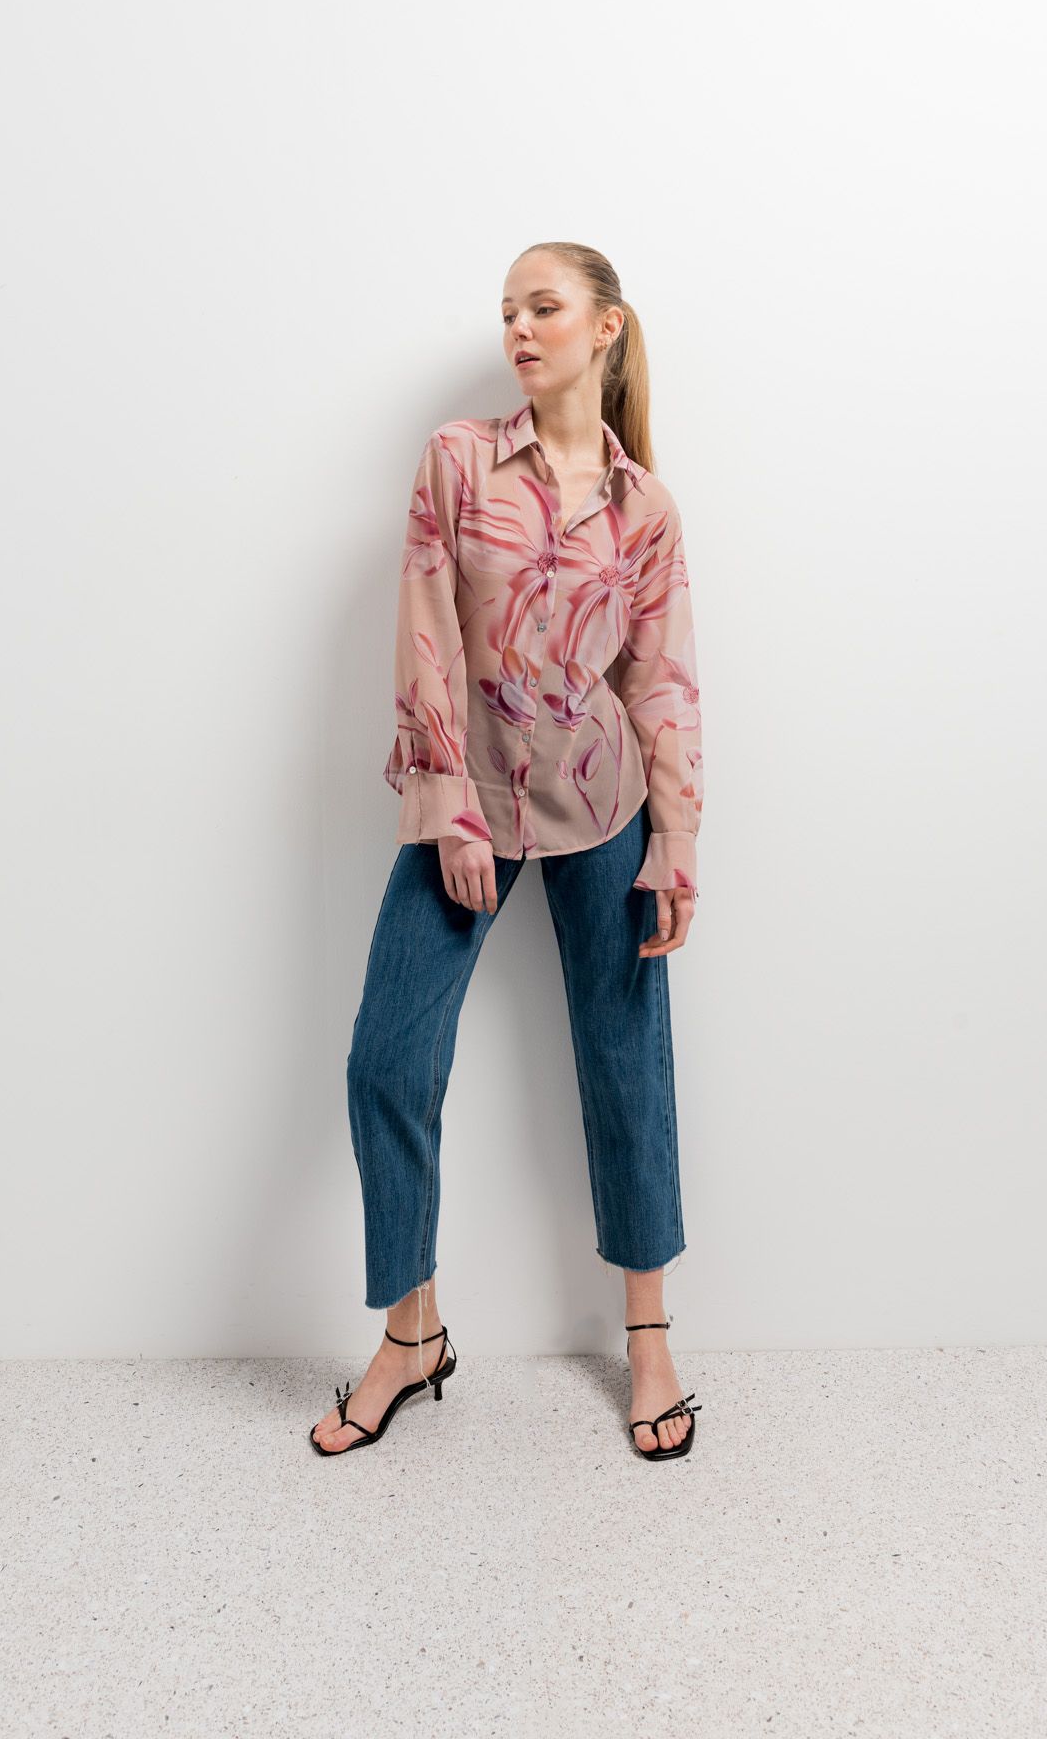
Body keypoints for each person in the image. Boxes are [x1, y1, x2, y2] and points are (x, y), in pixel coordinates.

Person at [310, 241, 704, 1461]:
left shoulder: (644, 508)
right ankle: (412, 1332)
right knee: (387, 1057)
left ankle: (649, 1336)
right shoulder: (458, 458)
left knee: (627, 1064)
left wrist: (676, 841)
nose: (519, 329)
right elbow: (426, 622)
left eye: (544, 307)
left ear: (606, 327)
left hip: (604, 803)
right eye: (508, 312)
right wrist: (448, 799)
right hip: (469, 795)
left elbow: (660, 680)